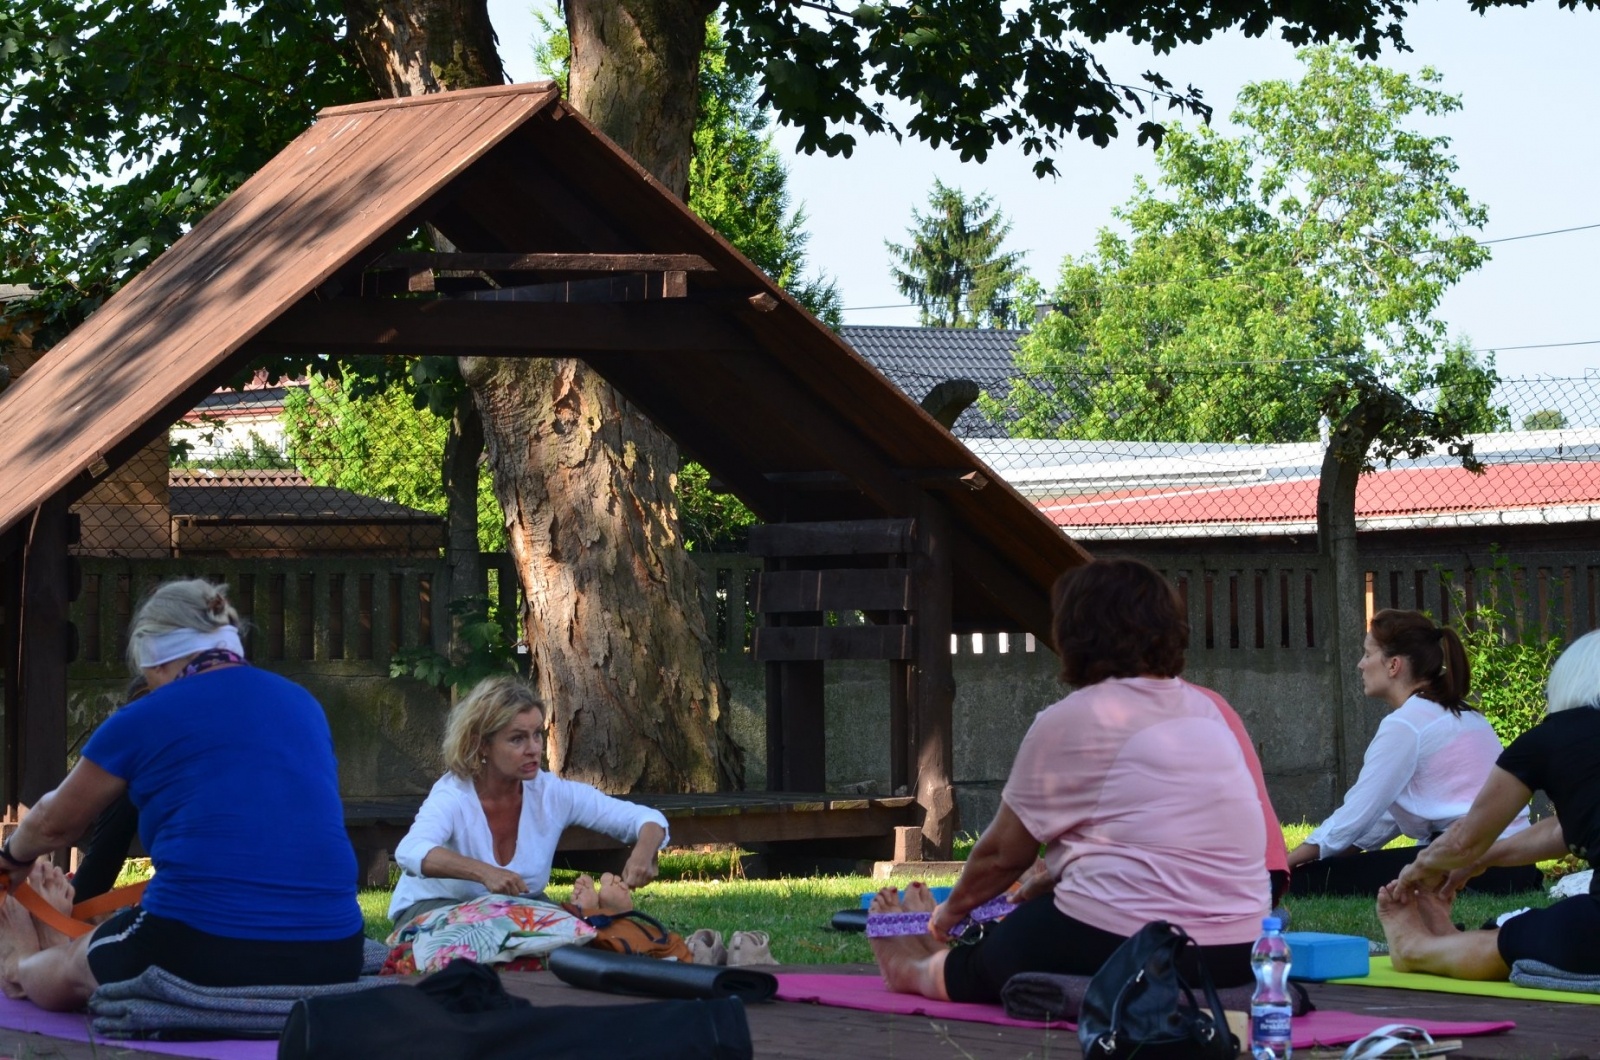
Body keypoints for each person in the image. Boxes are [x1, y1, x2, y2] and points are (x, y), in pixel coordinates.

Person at [870, 557, 1279, 1003]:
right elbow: (1163, 838)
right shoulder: (1208, 710)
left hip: (1138, 944)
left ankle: (917, 967)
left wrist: (949, 913)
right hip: (1240, 951)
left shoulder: (1077, 718)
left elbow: (1003, 855)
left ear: (1074, 634)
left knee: (1008, 947)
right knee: (1044, 908)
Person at [0, 579, 364, 1010]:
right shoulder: (304, 704)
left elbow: (55, 821)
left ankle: (19, 963)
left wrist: (12, 859)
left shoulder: (147, 715)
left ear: (152, 657)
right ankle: (61, 938)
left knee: (74, 965)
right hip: (335, 950)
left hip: (200, 945)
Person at [1378, 629, 1600, 980]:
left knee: (1520, 935)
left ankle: (1415, 950)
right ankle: (1449, 944)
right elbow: (1567, 829)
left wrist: (1415, 872)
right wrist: (1483, 859)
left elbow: (1466, 838)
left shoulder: (1551, 739)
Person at [1287, 609, 1538, 897]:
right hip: (1517, 865)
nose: (1360, 664)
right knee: (1329, 868)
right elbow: (1384, 816)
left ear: (1393, 665)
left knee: (1307, 881)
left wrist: (1288, 863)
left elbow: (1356, 813)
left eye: (1368, 654)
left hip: (1474, 867)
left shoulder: (1407, 724)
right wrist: (1335, 853)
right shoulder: (1462, 713)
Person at [387, 675, 669, 929]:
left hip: (515, 913)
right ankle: (584, 920)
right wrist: (485, 873)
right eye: (517, 739)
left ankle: (591, 920)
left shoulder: (551, 793)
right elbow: (411, 851)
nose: (533, 748)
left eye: (537, 735)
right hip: (433, 912)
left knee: (564, 934)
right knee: (513, 928)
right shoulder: (454, 794)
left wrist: (643, 853)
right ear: (481, 744)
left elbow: (647, 820)